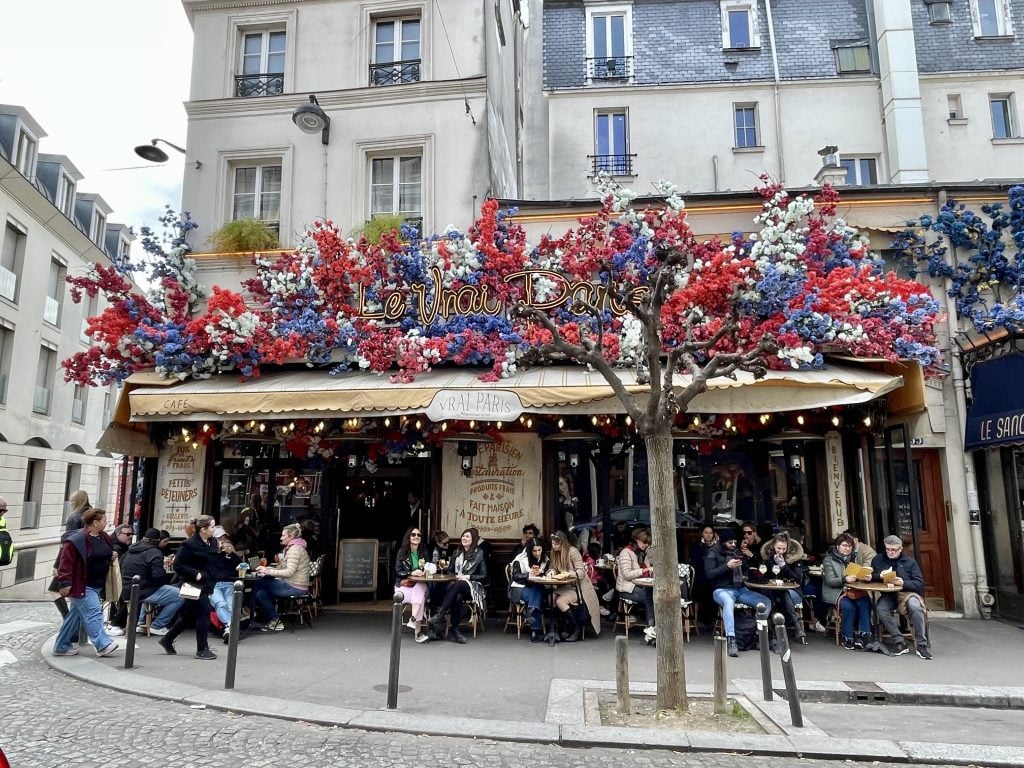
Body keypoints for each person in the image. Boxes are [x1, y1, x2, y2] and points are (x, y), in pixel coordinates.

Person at [52, 508, 119, 658]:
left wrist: (111, 556)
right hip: (81, 584)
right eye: (103, 520)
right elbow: (66, 563)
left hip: (96, 583)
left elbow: (106, 553)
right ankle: (103, 645)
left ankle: (61, 646)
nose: (106, 522)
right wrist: (65, 583)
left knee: (74, 616)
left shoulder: (103, 537)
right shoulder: (76, 540)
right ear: (95, 522)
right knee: (94, 612)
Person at [158, 515, 220, 660]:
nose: (214, 529)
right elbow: (178, 565)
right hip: (192, 584)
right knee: (204, 614)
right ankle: (202, 649)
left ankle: (167, 639)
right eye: (212, 526)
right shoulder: (189, 544)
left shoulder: (213, 542)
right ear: (203, 529)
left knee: (189, 616)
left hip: (207, 583)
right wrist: (195, 574)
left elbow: (213, 562)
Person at [705, 528, 768, 657]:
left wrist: (746, 557)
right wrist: (727, 566)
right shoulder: (712, 552)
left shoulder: (737, 552)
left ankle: (755, 634)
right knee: (728, 602)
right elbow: (709, 574)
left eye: (735, 542)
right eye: (730, 542)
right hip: (721, 590)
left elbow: (748, 569)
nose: (733, 544)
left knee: (765, 602)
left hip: (740, 589)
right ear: (723, 542)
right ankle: (731, 639)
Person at [871, 535, 931, 659]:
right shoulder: (878, 560)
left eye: (894, 550)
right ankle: (899, 640)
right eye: (888, 549)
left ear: (900, 549)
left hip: (907, 593)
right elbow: (872, 577)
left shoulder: (910, 562)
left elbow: (919, 583)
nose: (891, 552)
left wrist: (903, 583)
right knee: (881, 608)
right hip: (889, 594)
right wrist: (879, 576)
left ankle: (921, 644)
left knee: (915, 606)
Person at [426, 528, 487, 644]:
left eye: (467, 536)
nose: (464, 538)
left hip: (473, 586)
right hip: (457, 585)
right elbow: (450, 571)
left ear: (473, 539)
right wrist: (450, 573)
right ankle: (455, 630)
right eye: (463, 536)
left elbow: (483, 576)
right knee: (457, 596)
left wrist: (467, 577)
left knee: (459, 584)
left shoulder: (479, 554)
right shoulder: (457, 553)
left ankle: (440, 616)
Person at [120, 527, 183, 637]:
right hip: (143, 591)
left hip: (125, 589)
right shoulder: (154, 552)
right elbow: (158, 576)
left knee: (155, 590)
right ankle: (157, 626)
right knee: (180, 595)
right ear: (157, 540)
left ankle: (140, 622)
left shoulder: (129, 550)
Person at [253, 522, 311, 632]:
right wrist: (273, 568)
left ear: (291, 537)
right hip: (295, 585)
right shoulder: (294, 548)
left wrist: (267, 571)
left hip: (294, 587)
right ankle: (275, 621)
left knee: (257, 583)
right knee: (261, 593)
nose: (281, 537)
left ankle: (249, 613)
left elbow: (289, 572)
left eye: (284, 535)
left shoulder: (294, 550)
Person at [823, 533, 872, 650]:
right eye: (844, 545)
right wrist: (845, 579)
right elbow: (830, 581)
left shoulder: (855, 559)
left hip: (854, 590)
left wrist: (865, 576)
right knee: (848, 606)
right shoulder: (828, 560)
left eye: (850, 546)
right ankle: (847, 637)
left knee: (865, 602)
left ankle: (863, 636)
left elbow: (859, 574)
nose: (847, 548)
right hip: (837, 591)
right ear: (837, 546)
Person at [549, 530, 601, 642]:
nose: (554, 546)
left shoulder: (572, 552)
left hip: (579, 587)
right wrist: (552, 572)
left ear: (563, 543)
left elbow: (581, 572)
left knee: (560, 601)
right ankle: (560, 629)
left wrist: (568, 574)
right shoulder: (554, 553)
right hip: (564, 586)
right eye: (552, 544)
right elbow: (552, 567)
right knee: (551, 598)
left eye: (556, 544)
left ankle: (575, 629)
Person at [756, 532, 807, 644]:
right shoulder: (769, 556)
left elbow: (797, 579)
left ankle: (775, 635)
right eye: (778, 548)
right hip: (773, 589)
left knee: (782, 593)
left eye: (784, 549)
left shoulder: (794, 558)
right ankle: (796, 626)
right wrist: (770, 563)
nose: (781, 551)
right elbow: (764, 576)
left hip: (792, 590)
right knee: (775, 594)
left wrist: (784, 566)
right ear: (774, 546)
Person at [48, 490, 90, 619]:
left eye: (72, 501)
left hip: (71, 560)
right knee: (77, 594)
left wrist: (57, 565)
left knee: (54, 590)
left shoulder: (74, 517)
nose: (71, 504)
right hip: (86, 559)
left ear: (77, 501)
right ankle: (74, 625)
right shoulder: (91, 515)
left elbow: (67, 544)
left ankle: (68, 622)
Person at [615, 528, 656, 639]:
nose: (645, 544)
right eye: (643, 542)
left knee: (651, 594)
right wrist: (644, 571)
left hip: (637, 586)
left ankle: (652, 627)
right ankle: (651, 627)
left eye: (647, 542)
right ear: (636, 540)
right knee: (650, 598)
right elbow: (627, 574)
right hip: (626, 588)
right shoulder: (626, 553)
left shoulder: (640, 553)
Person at [394, 526, 431, 643]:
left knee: (420, 588)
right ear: (408, 537)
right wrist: (411, 573)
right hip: (404, 587)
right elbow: (398, 571)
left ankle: (413, 619)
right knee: (419, 598)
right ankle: (417, 631)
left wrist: (427, 570)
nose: (416, 537)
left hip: (420, 585)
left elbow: (429, 566)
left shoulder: (424, 551)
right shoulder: (402, 552)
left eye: (419, 535)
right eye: (413, 535)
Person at [508, 537, 549, 642]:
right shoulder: (520, 560)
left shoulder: (545, 560)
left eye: (539, 550)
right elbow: (516, 576)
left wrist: (546, 573)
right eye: (534, 551)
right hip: (521, 588)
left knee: (537, 590)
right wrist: (528, 575)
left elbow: (548, 572)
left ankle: (530, 613)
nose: (537, 553)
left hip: (539, 587)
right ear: (529, 550)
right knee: (536, 593)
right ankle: (535, 629)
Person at [208, 527, 243, 644]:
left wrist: (231, 553)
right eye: (220, 541)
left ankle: (229, 629)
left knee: (231, 605)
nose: (223, 544)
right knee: (220, 603)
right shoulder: (211, 555)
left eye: (224, 541)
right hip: (214, 584)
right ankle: (231, 627)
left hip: (229, 583)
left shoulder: (232, 556)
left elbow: (242, 566)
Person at [689, 525, 718, 627]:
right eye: (706, 532)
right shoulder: (696, 545)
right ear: (702, 533)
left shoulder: (717, 546)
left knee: (714, 585)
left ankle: (712, 618)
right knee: (706, 585)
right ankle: (706, 619)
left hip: (713, 575)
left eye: (710, 533)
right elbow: (695, 562)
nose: (708, 535)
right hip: (700, 574)